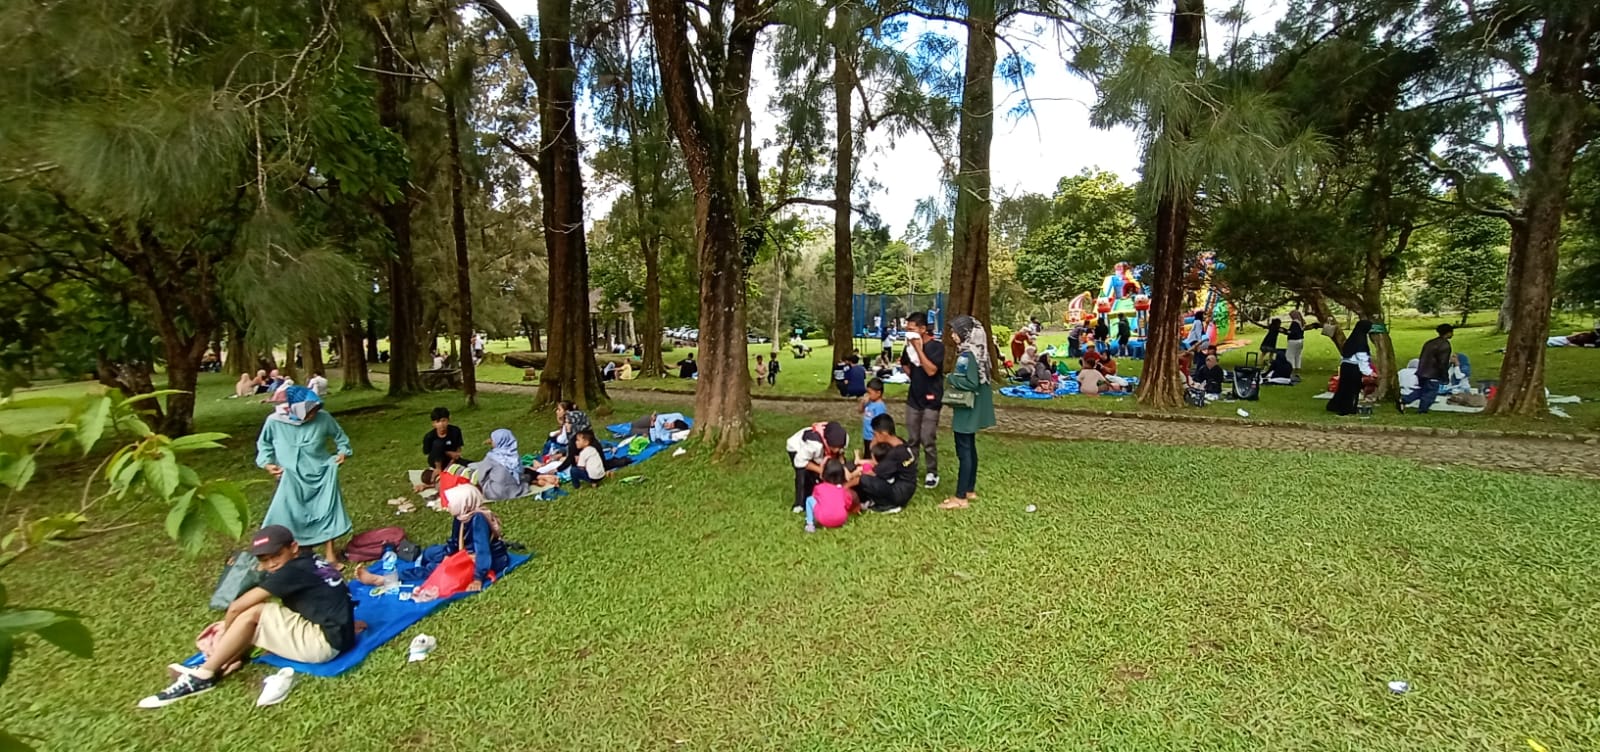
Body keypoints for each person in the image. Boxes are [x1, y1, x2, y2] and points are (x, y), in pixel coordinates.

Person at [138, 525, 356, 708]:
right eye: (264, 559)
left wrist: (224, 633)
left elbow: (235, 607)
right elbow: (333, 595)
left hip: (324, 646)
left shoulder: (290, 572)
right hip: (339, 637)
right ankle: (232, 659)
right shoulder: (311, 559)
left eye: (277, 556)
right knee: (259, 615)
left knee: (255, 612)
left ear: (293, 548)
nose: (271, 564)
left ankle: (203, 676)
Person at [256, 387, 352, 565]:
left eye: (314, 411)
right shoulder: (275, 421)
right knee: (287, 511)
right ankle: (290, 551)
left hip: (321, 472)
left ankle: (330, 554)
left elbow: (341, 438)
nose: (312, 416)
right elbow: (264, 445)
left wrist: (342, 452)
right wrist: (267, 463)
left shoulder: (324, 418)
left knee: (326, 511)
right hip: (290, 475)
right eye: (308, 412)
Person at [940, 315, 995, 510]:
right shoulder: (978, 351)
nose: (953, 335)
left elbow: (971, 382)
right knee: (970, 449)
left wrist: (951, 378)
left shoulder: (967, 354)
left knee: (964, 452)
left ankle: (960, 497)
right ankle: (969, 490)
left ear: (965, 333)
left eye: (955, 332)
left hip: (966, 411)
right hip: (973, 408)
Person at [899, 312, 944, 489]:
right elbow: (904, 363)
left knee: (928, 437)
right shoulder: (908, 347)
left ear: (923, 329)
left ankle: (932, 471)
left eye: (912, 329)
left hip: (932, 399)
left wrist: (918, 348)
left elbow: (932, 370)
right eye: (907, 330)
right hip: (913, 399)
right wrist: (913, 376)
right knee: (912, 437)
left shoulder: (936, 347)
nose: (908, 333)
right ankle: (912, 469)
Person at [855, 414, 916, 513]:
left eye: (875, 434)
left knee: (865, 479)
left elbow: (872, 473)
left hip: (899, 493)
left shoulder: (896, 453)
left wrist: (849, 482)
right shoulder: (900, 442)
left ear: (884, 433)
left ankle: (887, 505)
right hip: (906, 488)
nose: (874, 437)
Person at [785, 421, 848, 513]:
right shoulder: (814, 444)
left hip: (819, 452)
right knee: (804, 475)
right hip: (797, 449)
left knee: (823, 474)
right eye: (834, 447)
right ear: (826, 441)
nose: (837, 449)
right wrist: (821, 470)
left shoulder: (844, 438)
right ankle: (799, 504)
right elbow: (799, 462)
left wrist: (841, 465)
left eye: (839, 447)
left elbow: (841, 454)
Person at [1399, 323, 1453, 414]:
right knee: (1430, 393)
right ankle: (1422, 410)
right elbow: (1443, 362)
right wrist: (1444, 375)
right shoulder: (1444, 345)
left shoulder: (1429, 342)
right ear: (1448, 333)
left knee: (1422, 390)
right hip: (1433, 373)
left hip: (1422, 371)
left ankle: (1404, 400)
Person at [1327, 320, 1374, 416]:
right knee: (1352, 389)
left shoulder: (1352, 339)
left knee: (1343, 387)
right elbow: (1362, 358)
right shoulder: (1361, 340)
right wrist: (1369, 372)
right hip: (1353, 367)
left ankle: (1335, 405)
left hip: (1345, 366)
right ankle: (1348, 408)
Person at [804, 459, 859, 533]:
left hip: (823, 518)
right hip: (841, 519)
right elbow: (848, 503)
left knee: (809, 499)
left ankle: (810, 524)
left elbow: (814, 497)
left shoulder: (819, 487)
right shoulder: (843, 491)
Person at [474, 428, 529, 500]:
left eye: (493, 439)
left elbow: (481, 474)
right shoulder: (515, 456)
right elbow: (520, 472)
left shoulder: (492, 456)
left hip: (495, 493)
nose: (491, 441)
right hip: (514, 490)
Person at [423, 407, 465, 471]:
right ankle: (438, 469)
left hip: (452, 460)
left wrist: (454, 459)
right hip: (435, 461)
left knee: (471, 464)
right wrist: (448, 453)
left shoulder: (455, 431)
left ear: (448, 420)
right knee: (438, 443)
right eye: (438, 422)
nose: (441, 424)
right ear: (433, 424)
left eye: (443, 420)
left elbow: (458, 448)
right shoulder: (429, 437)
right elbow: (429, 453)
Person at [861, 378, 888, 444]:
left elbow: (880, 424)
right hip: (866, 435)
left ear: (878, 393)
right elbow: (860, 410)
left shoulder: (880, 406)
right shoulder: (869, 402)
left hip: (873, 437)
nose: (868, 395)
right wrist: (862, 403)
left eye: (870, 393)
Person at [1285, 310, 1307, 376]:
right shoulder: (1302, 322)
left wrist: (1287, 332)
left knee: (1290, 355)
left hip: (1293, 340)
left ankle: (1292, 370)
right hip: (1300, 340)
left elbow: (1293, 332)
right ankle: (1298, 369)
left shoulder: (1295, 323)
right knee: (1298, 355)